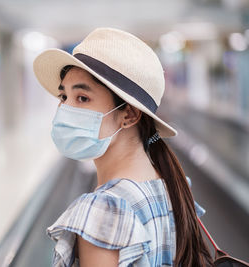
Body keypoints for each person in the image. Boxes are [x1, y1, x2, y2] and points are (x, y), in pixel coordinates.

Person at [33, 28, 213, 266]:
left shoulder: (103, 213)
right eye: (64, 97)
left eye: (83, 98)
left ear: (128, 115)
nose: (65, 110)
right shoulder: (173, 188)